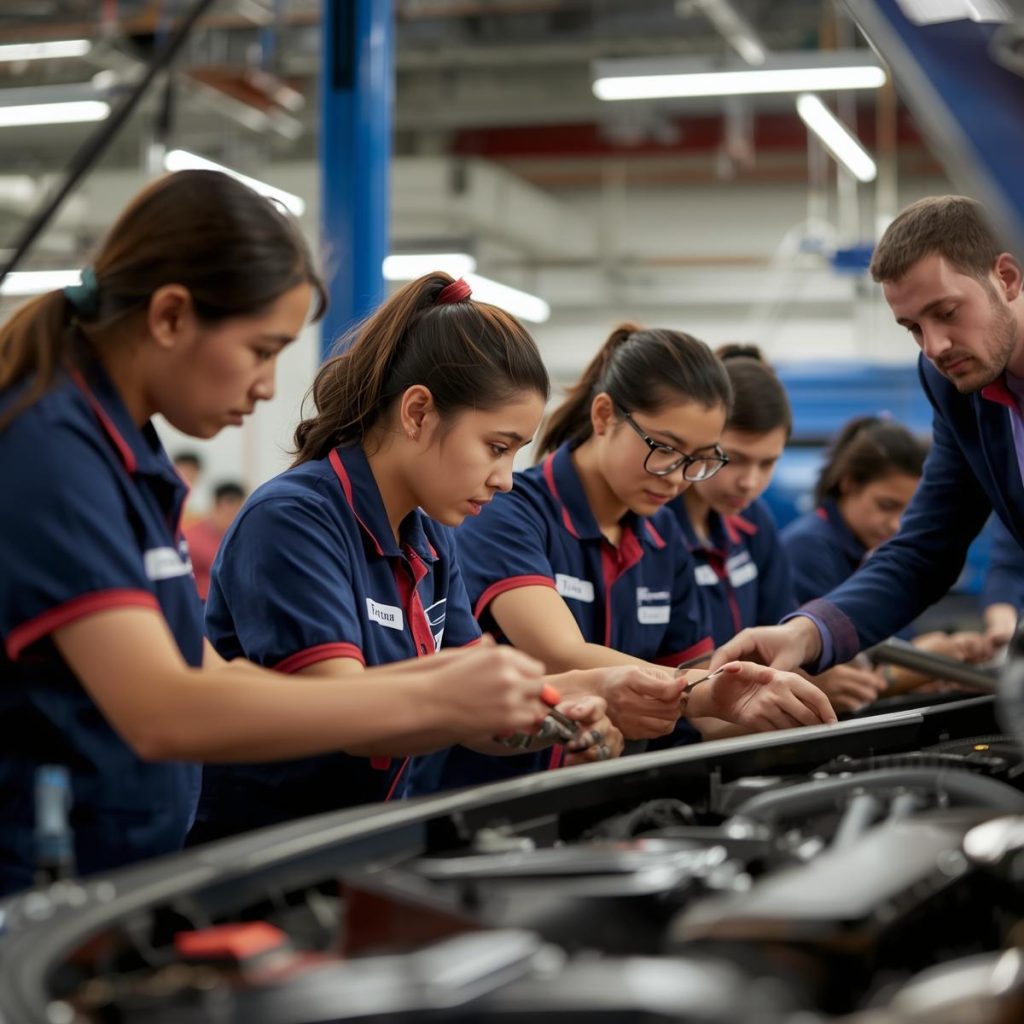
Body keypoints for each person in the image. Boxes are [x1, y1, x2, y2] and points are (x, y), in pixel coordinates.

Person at [0, 172, 556, 896]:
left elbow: (213, 673)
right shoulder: (50, 450)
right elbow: (163, 709)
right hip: (37, 885)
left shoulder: (124, 453)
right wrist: (440, 701)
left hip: (120, 876)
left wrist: (503, 688)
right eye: (261, 349)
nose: (267, 385)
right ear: (170, 317)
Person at [193, 273, 624, 843]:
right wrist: (534, 692)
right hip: (263, 858)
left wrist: (563, 713)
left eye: (515, 454)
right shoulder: (294, 520)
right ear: (418, 412)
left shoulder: (429, 534)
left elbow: (476, 719)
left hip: (369, 845)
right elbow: (354, 718)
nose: (505, 480)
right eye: (496, 448)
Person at [405, 324, 838, 796]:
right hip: (492, 801)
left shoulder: (661, 534)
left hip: (604, 802)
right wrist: (704, 692)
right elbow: (559, 653)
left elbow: (705, 710)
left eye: (700, 459)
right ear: (605, 414)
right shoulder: (508, 514)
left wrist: (785, 702)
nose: (678, 478)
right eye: (665, 449)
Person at [710, 195, 1020, 677]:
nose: (934, 346)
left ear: (1007, 277)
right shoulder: (954, 387)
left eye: (947, 312)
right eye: (914, 327)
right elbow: (923, 549)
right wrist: (806, 632)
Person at [184, 480, 246, 600]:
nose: (233, 518)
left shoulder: (241, 538)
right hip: (199, 604)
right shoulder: (191, 538)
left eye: (238, 512)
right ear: (215, 506)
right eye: (228, 512)